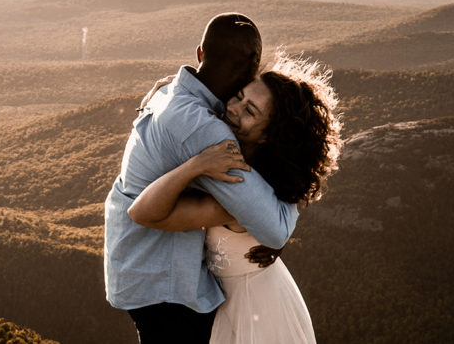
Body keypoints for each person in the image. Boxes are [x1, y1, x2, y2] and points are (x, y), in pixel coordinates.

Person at [104, 13, 299, 343]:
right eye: (241, 100)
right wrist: (274, 220)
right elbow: (274, 227)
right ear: (253, 64)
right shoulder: (205, 129)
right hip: (164, 281)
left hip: (140, 266)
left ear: (199, 53)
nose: (237, 107)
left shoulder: (172, 91)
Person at [128, 54, 342, 344]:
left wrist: (195, 165)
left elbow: (141, 212)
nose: (231, 108)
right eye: (238, 96)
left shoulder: (235, 186)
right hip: (250, 297)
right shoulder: (265, 173)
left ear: (269, 136)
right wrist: (154, 104)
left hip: (255, 312)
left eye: (250, 110)